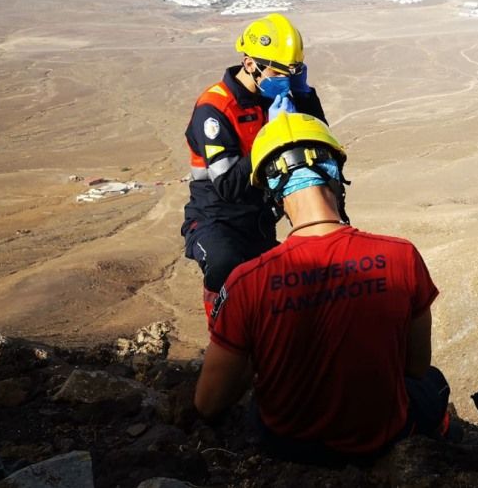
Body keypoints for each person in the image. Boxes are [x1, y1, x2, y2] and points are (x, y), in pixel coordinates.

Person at [193, 113, 454, 464]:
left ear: (273, 194)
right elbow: (417, 366)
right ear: (335, 175)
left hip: (289, 447)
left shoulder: (245, 282)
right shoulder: (401, 256)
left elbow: (208, 402)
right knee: (433, 384)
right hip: (381, 438)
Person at [181, 13, 328, 320]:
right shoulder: (215, 109)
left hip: (258, 221)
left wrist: (306, 96)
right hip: (216, 221)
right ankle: (223, 338)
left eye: (293, 72)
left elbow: (318, 138)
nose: (285, 79)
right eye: (279, 71)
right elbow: (228, 186)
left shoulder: (272, 93)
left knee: (287, 289)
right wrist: (268, 136)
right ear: (250, 64)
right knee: (227, 269)